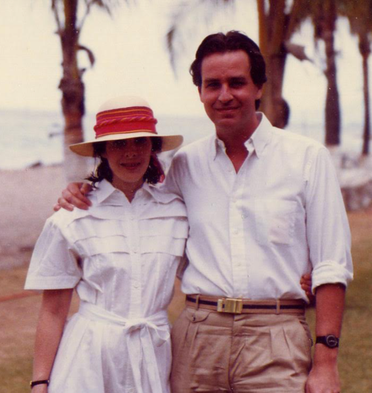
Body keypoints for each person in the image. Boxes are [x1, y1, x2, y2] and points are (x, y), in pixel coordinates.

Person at [57, 31, 353, 393]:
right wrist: (86, 188)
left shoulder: (307, 158)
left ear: (259, 87)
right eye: (213, 84)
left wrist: (326, 362)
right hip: (198, 335)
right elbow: (139, 207)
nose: (225, 95)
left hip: (277, 334)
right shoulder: (184, 164)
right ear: (200, 92)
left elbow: (331, 264)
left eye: (237, 83)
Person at [25, 96, 187, 393]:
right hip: (90, 357)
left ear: (154, 147)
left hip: (154, 352)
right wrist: (40, 382)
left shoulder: (176, 212)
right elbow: (52, 309)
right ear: (101, 151)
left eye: (139, 141)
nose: (131, 153)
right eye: (118, 144)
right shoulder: (73, 217)